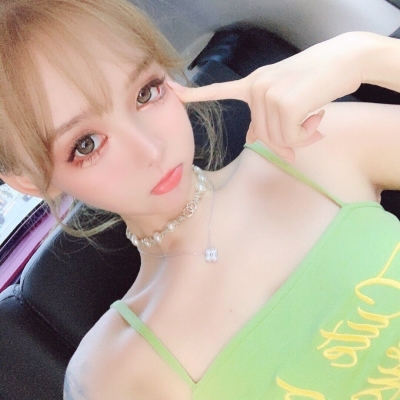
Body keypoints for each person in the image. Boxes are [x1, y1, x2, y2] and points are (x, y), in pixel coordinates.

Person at [1, 0, 399, 399]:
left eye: (146, 93)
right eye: (87, 144)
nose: (151, 148)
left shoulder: (313, 149)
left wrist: (367, 56)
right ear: (31, 179)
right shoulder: (112, 374)